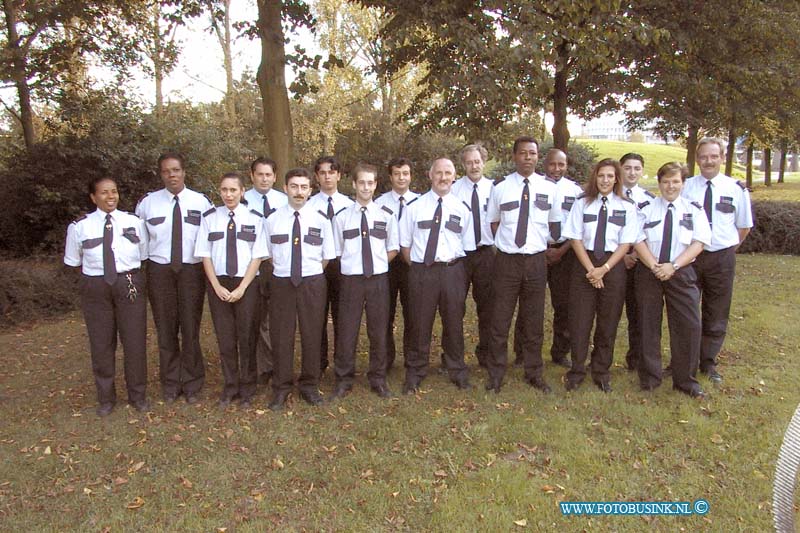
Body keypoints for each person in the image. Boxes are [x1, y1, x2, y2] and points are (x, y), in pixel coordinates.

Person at [64, 177, 149, 417]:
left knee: (134, 342)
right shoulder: (80, 227)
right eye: (104, 193)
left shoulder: (134, 222)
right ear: (93, 197)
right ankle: (106, 398)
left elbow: (143, 255)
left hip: (128, 282)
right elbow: (74, 261)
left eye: (114, 192)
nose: (110, 196)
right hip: (96, 286)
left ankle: (138, 395)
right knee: (101, 343)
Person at [485, 136, 560, 393]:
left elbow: (554, 223)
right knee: (500, 319)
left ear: (538, 157)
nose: (528, 157)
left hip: (536, 261)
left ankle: (533, 372)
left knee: (533, 320)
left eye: (532, 153)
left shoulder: (549, 188)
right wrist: (507, 245)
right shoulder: (501, 188)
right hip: (507, 261)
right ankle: (495, 373)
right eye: (523, 153)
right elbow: (493, 222)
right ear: (514, 156)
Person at [135, 152, 212, 404]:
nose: (172, 175)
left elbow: (210, 237)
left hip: (191, 271)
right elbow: (140, 240)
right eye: (167, 171)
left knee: (190, 327)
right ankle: (170, 383)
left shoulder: (201, 202)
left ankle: (191, 382)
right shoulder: (147, 204)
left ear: (184, 172)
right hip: (160, 271)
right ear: (161, 174)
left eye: (176, 170)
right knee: (165, 329)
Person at [634, 162, 711, 399]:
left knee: (688, 325)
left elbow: (699, 242)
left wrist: (673, 266)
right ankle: (650, 378)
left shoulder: (694, 209)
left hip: (682, 270)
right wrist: (655, 266)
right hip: (650, 271)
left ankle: (685, 381)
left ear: (683, 183)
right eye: (666, 181)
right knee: (647, 324)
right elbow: (637, 240)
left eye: (675, 181)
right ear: (659, 183)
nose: (670, 186)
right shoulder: (646, 208)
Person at [681, 137, 753, 384]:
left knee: (717, 311)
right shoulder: (687, 187)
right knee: (686, 312)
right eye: (703, 156)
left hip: (721, 257)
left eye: (714, 156)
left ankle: (708, 362)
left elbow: (743, 226)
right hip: (690, 257)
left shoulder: (736, 188)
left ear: (722, 158)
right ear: (697, 159)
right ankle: (683, 361)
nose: (708, 161)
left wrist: (727, 248)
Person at [562, 159, 638, 393]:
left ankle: (601, 370)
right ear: (595, 178)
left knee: (608, 321)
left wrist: (603, 269)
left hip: (612, 267)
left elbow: (626, 243)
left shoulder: (627, 207)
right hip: (583, 265)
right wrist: (591, 270)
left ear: (617, 179)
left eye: (610, 176)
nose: (605, 180)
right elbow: (575, 238)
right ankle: (577, 369)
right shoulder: (582, 204)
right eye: (601, 175)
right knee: (580, 321)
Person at [195, 172, 268, 408]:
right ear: (220, 191)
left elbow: (258, 255)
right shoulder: (209, 218)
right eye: (224, 190)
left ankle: (248, 388)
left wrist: (242, 287)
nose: (228, 194)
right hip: (219, 283)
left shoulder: (255, 218)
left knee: (247, 337)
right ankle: (230, 386)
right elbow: (204, 254)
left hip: (246, 283)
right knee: (226, 338)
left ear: (242, 191)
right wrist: (215, 285)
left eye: (233, 190)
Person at [400, 158, 472, 393]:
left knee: (454, 322)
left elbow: (467, 243)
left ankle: (456, 369)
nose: (443, 177)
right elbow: (406, 245)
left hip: (452, 271)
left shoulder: (462, 209)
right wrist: (421, 269)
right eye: (439, 172)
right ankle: (416, 371)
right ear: (430, 175)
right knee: (419, 323)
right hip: (423, 272)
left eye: (448, 173)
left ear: (454, 176)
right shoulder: (414, 207)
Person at [266, 168, 336, 411]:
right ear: (285, 188)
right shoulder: (272, 220)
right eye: (294, 186)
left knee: (312, 334)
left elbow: (326, 257)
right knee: (282, 336)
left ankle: (309, 384)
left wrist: (308, 272)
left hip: (312, 282)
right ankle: (281, 387)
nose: (298, 192)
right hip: (282, 283)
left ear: (310, 190)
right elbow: (270, 256)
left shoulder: (321, 220)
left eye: (303, 187)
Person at [330, 163, 399, 399]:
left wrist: (377, 264)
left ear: (376, 185)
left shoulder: (386, 216)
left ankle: (378, 378)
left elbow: (393, 248)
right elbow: (338, 251)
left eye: (370, 183)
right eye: (362, 182)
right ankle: (343, 379)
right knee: (347, 331)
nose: (366, 187)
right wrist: (355, 267)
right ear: (354, 184)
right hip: (351, 281)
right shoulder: (341, 218)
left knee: (378, 330)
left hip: (378, 279)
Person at [448, 144, 495, 368]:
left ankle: (485, 355)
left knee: (487, 308)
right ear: (463, 165)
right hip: (461, 256)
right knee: (454, 307)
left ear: (483, 162)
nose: (474, 166)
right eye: (469, 162)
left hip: (487, 254)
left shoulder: (495, 189)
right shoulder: (454, 189)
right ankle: (452, 357)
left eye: (477, 161)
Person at [243, 157, 288, 387]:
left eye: (268, 175)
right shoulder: (241, 200)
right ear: (252, 176)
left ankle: (273, 366)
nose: (264, 178)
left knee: (274, 319)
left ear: (275, 177)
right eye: (259, 174)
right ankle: (255, 369)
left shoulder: (283, 200)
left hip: (276, 265)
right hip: (249, 265)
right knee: (253, 318)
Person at [307, 156, 354, 374]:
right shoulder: (309, 205)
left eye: (331, 172)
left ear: (339, 175)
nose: (327, 176)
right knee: (316, 317)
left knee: (343, 317)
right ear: (317, 177)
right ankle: (318, 364)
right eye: (323, 172)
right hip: (318, 266)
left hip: (343, 266)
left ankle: (342, 365)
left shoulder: (350, 205)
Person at [375, 157, 420, 373]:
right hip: (387, 263)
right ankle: (386, 360)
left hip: (412, 264)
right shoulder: (379, 203)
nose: (401, 178)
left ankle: (412, 359)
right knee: (385, 313)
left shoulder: (421, 202)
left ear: (410, 176)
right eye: (397, 173)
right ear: (390, 177)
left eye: (405, 173)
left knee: (413, 313)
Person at [542, 148, 583, 368]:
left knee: (564, 305)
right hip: (538, 251)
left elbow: (579, 227)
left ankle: (560, 351)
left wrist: (562, 249)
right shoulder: (536, 187)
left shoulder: (576, 191)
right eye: (552, 164)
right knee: (531, 304)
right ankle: (522, 353)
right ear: (545, 164)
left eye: (561, 165)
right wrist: (544, 248)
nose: (556, 169)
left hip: (566, 252)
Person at [619, 153, 655, 371]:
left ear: (642, 171)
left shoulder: (650, 199)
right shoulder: (611, 195)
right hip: (613, 261)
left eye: (636, 168)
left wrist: (635, 256)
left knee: (637, 312)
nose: (632, 172)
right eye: (627, 168)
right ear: (620, 169)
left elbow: (651, 233)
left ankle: (635, 359)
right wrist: (622, 255)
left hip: (639, 262)